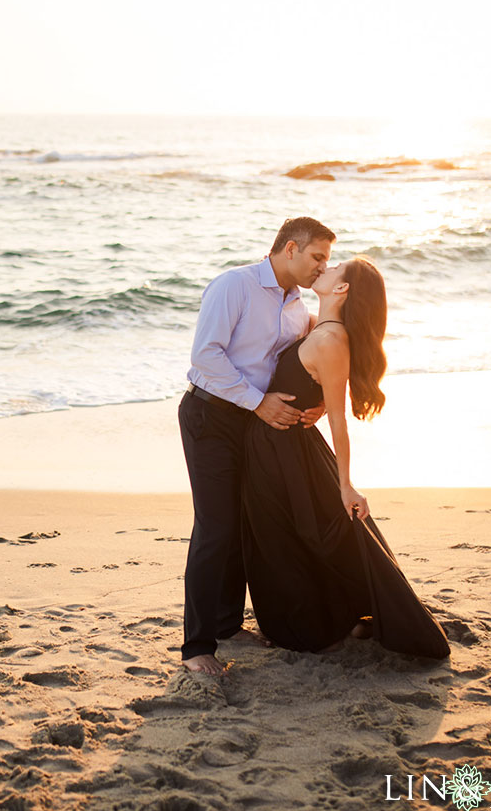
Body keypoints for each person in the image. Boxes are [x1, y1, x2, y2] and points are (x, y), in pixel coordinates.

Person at [239, 257, 450, 658]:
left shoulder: (332, 340)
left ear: (343, 289)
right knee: (282, 536)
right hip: (280, 445)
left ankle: (308, 627)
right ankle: (328, 614)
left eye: (335, 267)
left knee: (281, 539)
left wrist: (346, 483)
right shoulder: (322, 325)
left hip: (285, 449)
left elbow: (339, 421)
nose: (326, 267)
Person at [177, 217, 332, 676]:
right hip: (210, 415)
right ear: (290, 248)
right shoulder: (234, 285)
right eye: (317, 257)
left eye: (327, 259)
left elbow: (310, 357)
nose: (323, 267)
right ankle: (196, 647)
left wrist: (318, 403)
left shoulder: (297, 306)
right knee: (215, 527)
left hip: (253, 422)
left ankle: (227, 623)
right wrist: (256, 402)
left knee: (244, 525)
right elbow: (205, 354)